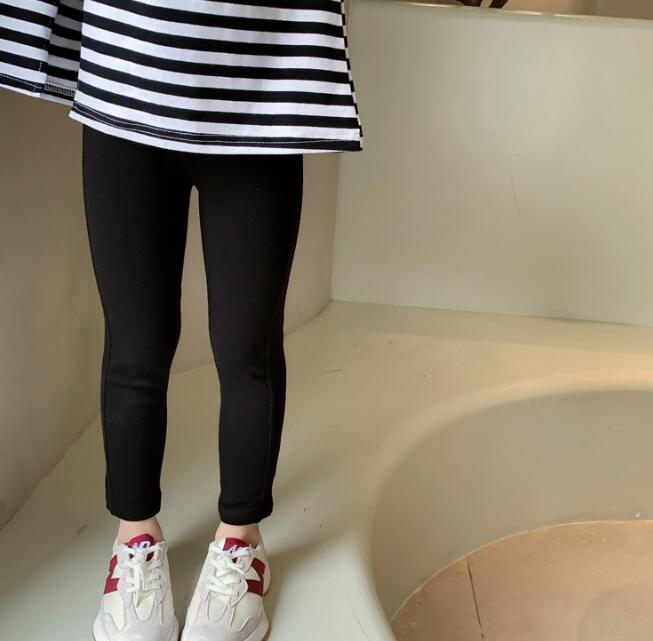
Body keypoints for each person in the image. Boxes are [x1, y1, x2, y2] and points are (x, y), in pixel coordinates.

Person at [0, 1, 363, 640]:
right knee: (134, 348)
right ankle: (134, 539)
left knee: (246, 349)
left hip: (262, 84)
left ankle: (241, 543)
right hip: (125, 80)